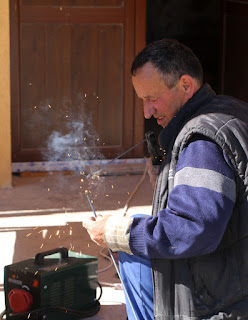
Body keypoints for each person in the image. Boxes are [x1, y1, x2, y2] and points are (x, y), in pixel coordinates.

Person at [83, 39, 248, 320]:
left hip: (221, 299)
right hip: (235, 269)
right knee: (136, 257)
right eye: (142, 100)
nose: (147, 111)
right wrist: (169, 173)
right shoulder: (231, 109)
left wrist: (117, 232)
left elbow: (193, 228)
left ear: (186, 85)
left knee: (132, 251)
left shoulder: (201, 141)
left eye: (152, 98)